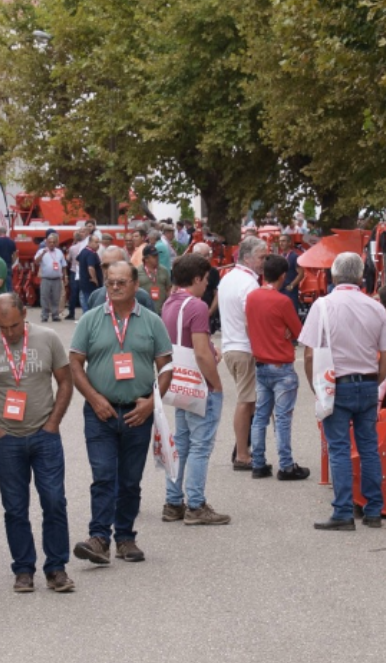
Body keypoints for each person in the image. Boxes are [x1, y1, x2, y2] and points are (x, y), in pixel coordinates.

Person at [0, 293, 75, 593]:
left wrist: (53, 424)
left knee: (54, 501)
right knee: (15, 507)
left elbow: (65, 381)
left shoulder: (48, 338)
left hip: (44, 435)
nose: (10, 333)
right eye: (3, 328)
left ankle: (56, 568)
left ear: (24, 314)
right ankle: (23, 569)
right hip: (7, 439)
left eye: (15, 326)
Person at [69, 261, 173, 565]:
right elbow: (75, 364)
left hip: (137, 413)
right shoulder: (90, 320)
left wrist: (151, 402)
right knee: (103, 476)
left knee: (129, 480)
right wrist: (94, 397)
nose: (114, 287)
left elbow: (166, 367)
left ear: (135, 285)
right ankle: (99, 537)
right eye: (110, 282)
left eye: (121, 282)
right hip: (100, 413)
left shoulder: (152, 321)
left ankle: (125, 538)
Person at [300, 252, 386, 530]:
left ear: (332, 275)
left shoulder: (323, 305)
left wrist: (316, 388)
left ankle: (342, 512)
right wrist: (375, 381)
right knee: (368, 448)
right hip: (366, 384)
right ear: (361, 277)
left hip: (335, 385)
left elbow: (308, 355)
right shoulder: (376, 307)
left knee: (339, 449)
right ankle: (374, 510)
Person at [160, 254, 229, 525]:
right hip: (198, 383)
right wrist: (216, 383)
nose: (207, 287)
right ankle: (196, 505)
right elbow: (200, 352)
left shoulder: (169, 303)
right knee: (201, 445)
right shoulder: (197, 306)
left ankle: (173, 501)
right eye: (206, 281)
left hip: (179, 380)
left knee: (183, 443)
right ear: (197, 279)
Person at [246, 254, 309, 481]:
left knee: (261, 416)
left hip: (261, 364)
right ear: (283, 276)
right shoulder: (282, 301)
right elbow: (300, 332)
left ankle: (259, 463)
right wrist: (287, 332)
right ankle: (286, 465)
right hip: (281, 365)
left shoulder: (252, 297)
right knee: (282, 418)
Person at [218, 235, 267, 470]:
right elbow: (252, 320)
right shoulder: (249, 284)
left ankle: (242, 445)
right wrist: (261, 347)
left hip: (231, 345)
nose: (264, 262)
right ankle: (241, 453)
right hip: (244, 347)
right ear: (247, 257)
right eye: (261, 257)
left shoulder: (229, 278)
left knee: (249, 401)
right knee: (246, 401)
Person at [87, 247, 156, 312]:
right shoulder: (95, 297)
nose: (109, 270)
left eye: (115, 265)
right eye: (105, 266)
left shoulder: (142, 298)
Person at [34, 233, 67, 323]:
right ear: (47, 242)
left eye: (54, 242)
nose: (52, 244)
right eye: (50, 242)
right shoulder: (42, 251)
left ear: (56, 243)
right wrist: (43, 254)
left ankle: (55, 315)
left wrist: (65, 276)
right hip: (46, 278)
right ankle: (44, 315)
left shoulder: (59, 252)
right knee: (44, 297)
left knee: (56, 298)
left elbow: (63, 265)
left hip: (57, 278)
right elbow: (36, 261)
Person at [137, 245, 171, 315]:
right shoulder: (137, 272)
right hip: (144, 312)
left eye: (157, 255)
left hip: (162, 311)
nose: (157, 258)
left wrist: (168, 305)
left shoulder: (164, 270)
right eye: (154, 256)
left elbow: (168, 289)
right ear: (146, 259)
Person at [193, 242, 220, 323]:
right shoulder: (188, 270)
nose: (208, 258)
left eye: (209, 255)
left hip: (207, 312)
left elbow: (217, 294)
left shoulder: (213, 272)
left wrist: (211, 311)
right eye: (205, 255)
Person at [277, 234, 304, 314]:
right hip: (281, 289)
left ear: (289, 243)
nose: (281, 243)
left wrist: (292, 285)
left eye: (284, 241)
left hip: (290, 290)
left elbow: (301, 273)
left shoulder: (294, 256)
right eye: (280, 241)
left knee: (291, 313)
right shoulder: (281, 256)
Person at [77, 235, 102, 313]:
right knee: (90, 305)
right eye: (96, 242)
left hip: (84, 282)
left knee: (85, 303)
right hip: (90, 285)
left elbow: (78, 260)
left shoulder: (83, 251)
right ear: (90, 242)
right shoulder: (91, 253)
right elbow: (91, 267)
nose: (98, 244)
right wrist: (95, 279)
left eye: (98, 242)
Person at [0, 227, 17, 295]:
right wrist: (12, 262)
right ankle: (9, 298)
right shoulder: (12, 242)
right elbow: (14, 255)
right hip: (8, 265)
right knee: (8, 283)